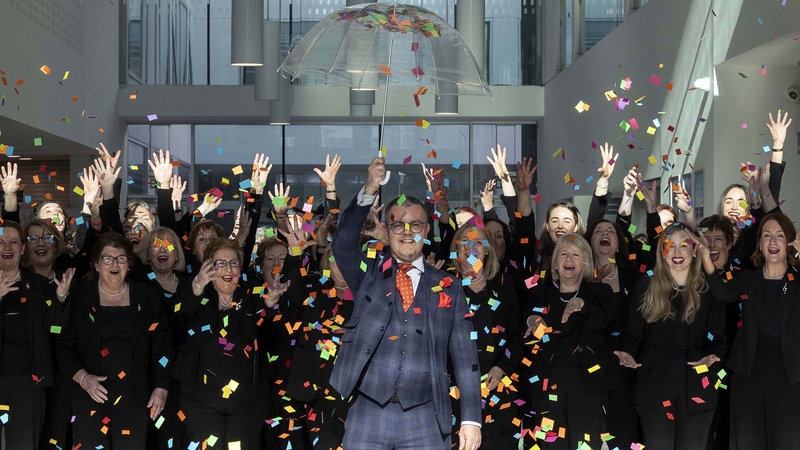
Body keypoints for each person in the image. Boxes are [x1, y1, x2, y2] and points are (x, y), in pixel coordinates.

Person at [330, 157, 482, 450]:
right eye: (397, 225)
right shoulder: (368, 274)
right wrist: (369, 189)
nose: (407, 230)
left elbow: (465, 356)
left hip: (426, 415)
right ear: (385, 233)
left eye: (415, 224)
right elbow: (343, 244)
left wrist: (471, 419)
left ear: (426, 231)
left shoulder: (448, 286)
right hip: (368, 411)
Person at [57, 232, 173, 450]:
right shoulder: (80, 297)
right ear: (96, 264)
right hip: (89, 394)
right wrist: (83, 379)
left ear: (129, 264)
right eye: (107, 258)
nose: (115, 264)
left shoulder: (147, 298)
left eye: (121, 258)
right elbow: (64, 346)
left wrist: (161, 387)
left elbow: (163, 348)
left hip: (136, 397)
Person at [615, 223, 726, 450]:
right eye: (670, 246)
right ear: (662, 252)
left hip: (698, 383)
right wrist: (626, 352)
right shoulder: (646, 286)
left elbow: (720, 337)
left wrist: (713, 356)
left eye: (683, 245)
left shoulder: (708, 289)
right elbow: (632, 334)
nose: (677, 252)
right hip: (654, 387)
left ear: (695, 250)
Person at [174, 238, 286, 449]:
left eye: (233, 263)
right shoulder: (197, 292)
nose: (228, 268)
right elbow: (185, 310)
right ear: (208, 267)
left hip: (247, 404)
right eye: (220, 263)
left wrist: (271, 299)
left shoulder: (250, 292)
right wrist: (199, 282)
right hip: (200, 402)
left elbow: (265, 308)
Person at [702, 212, 800, 448]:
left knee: (786, 440)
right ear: (759, 243)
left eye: (779, 236)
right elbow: (723, 293)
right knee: (747, 439)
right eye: (767, 236)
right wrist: (706, 258)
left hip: (790, 372)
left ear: (789, 242)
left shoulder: (797, 280)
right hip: (748, 368)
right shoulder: (750, 278)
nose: (773, 242)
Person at [522, 234, 621, 449]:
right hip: (548, 386)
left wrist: (581, 305)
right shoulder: (540, 292)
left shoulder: (598, 292)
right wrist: (532, 319)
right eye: (564, 254)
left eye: (576, 254)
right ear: (556, 262)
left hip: (588, 388)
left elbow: (603, 317)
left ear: (585, 262)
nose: (569, 259)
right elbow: (527, 317)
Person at [449, 223, 523, 449]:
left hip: (498, 389)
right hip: (453, 392)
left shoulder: (505, 285)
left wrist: (502, 368)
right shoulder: (443, 286)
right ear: (456, 248)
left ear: (488, 249)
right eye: (465, 241)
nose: (471, 246)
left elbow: (517, 337)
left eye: (478, 242)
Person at [0, 221, 72, 448]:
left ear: (22, 248)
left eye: (13, 242)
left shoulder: (40, 286)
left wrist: (60, 299)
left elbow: (55, 330)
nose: (7, 248)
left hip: (29, 383)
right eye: (1, 243)